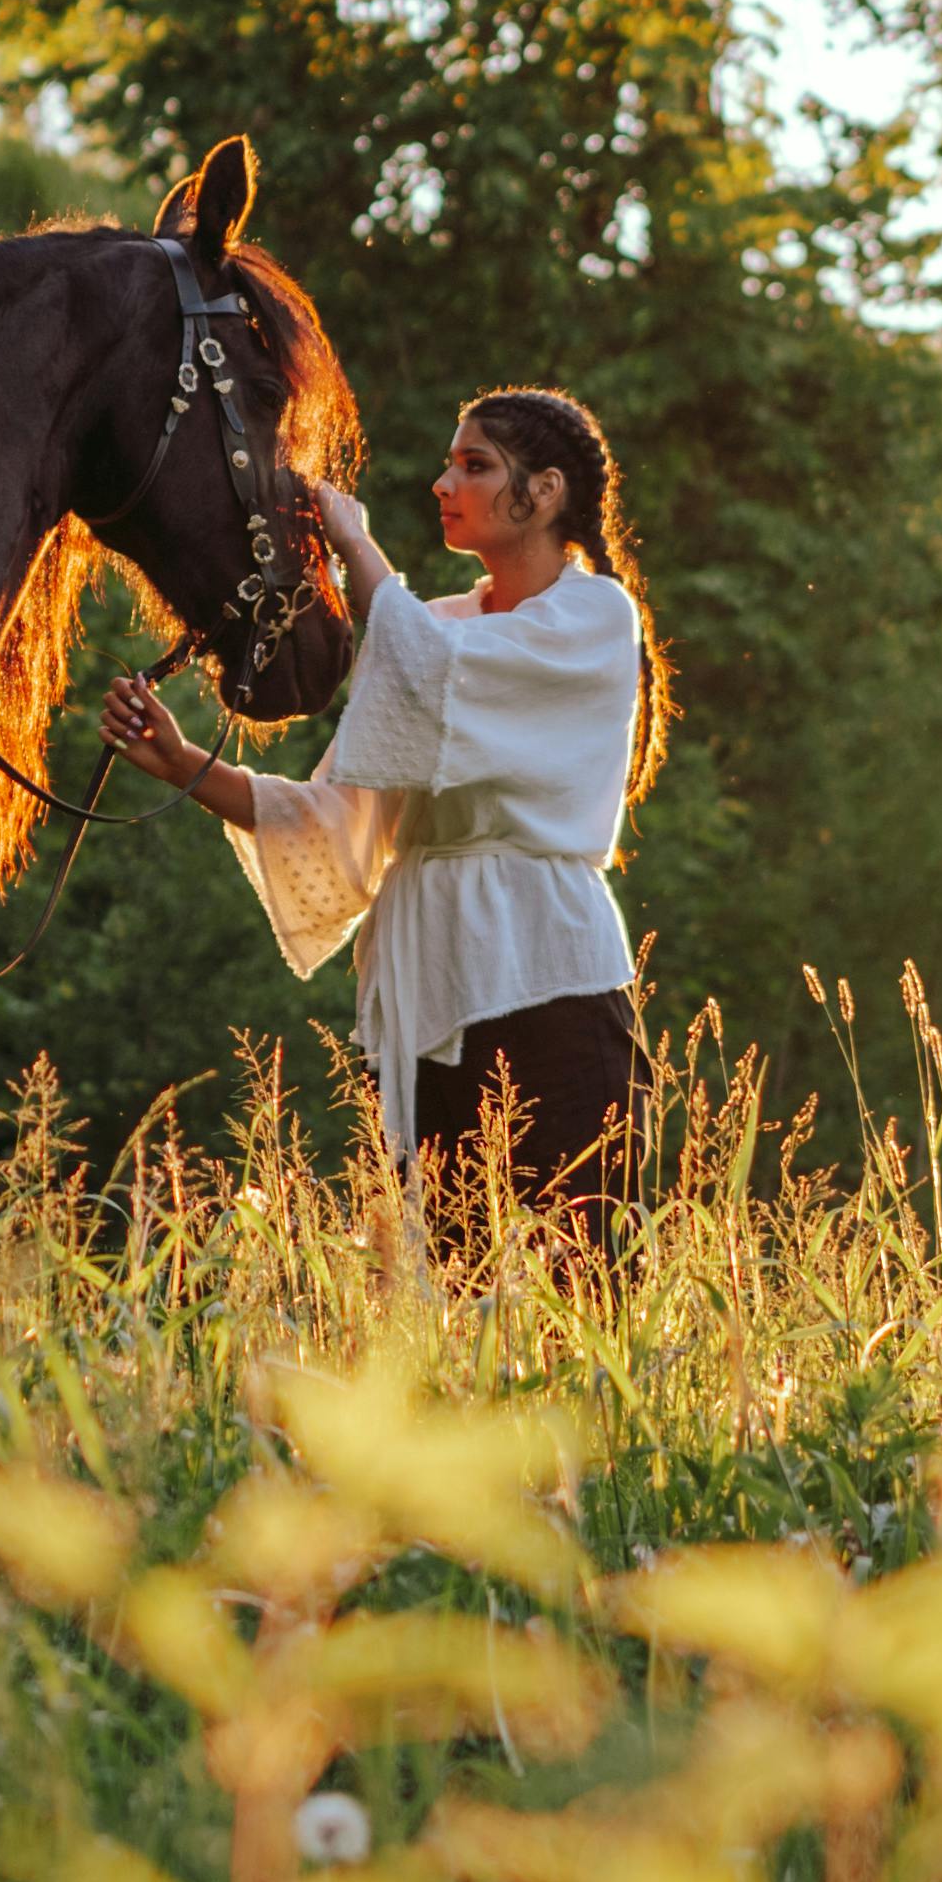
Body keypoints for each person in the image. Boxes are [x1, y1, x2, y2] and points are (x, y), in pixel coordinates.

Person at [105, 386, 675, 1243]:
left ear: (546, 491)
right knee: (450, 1279)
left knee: (583, 1266)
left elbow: (427, 658)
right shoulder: (436, 627)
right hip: (423, 973)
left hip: (545, 965)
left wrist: (355, 542)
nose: (444, 483)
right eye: (450, 462)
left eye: (475, 465)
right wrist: (185, 765)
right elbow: (333, 814)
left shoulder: (593, 614)